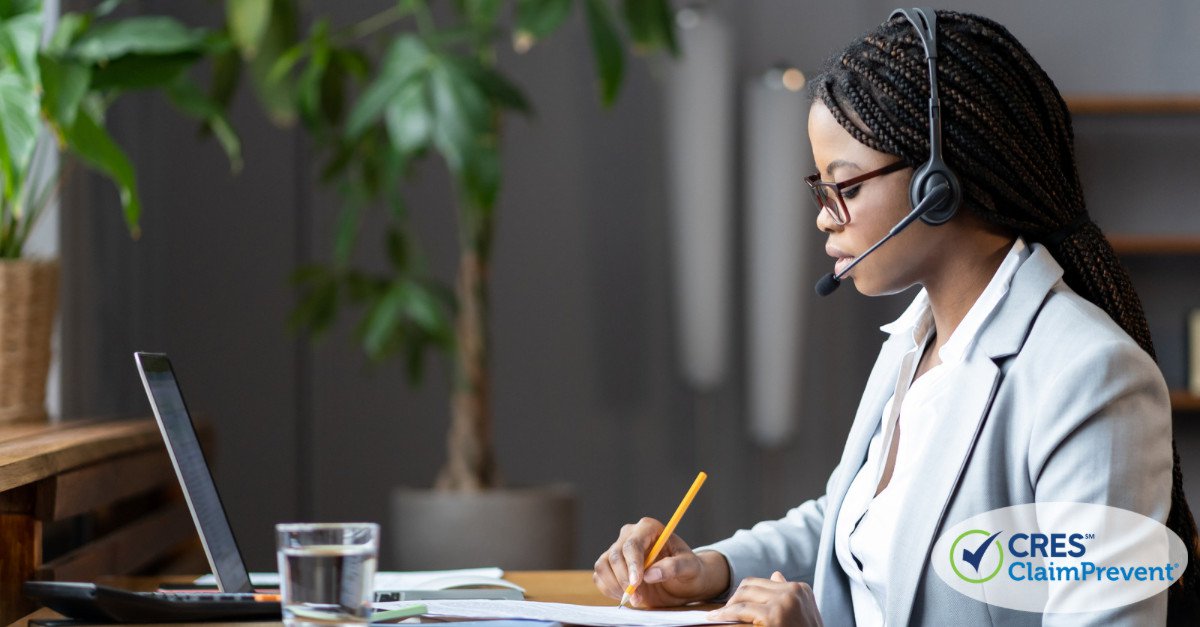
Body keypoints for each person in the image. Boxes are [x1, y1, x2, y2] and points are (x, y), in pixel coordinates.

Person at [592, 9, 1200, 626]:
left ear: (939, 186)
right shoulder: (918, 340)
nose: (825, 217)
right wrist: (711, 569)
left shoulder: (1092, 379)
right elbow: (853, 522)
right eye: (820, 188)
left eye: (845, 186)